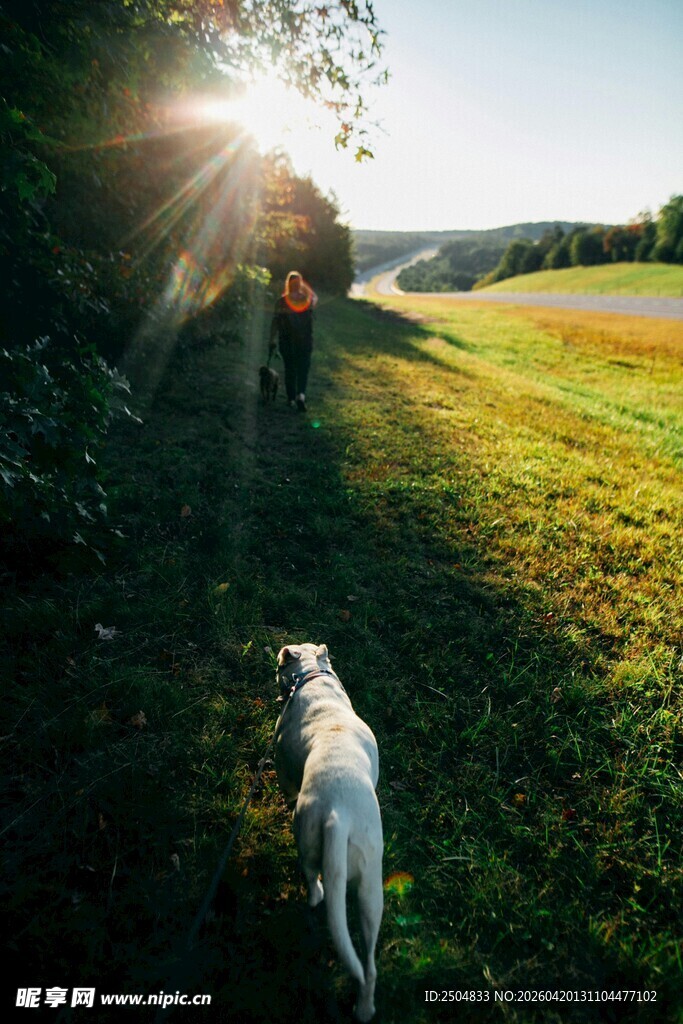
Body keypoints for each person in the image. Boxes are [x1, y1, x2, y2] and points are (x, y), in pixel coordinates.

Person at [269, 271, 318, 412]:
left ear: (288, 284)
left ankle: (290, 399)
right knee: (303, 368)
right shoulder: (306, 300)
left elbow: (275, 322)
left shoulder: (281, 302)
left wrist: (271, 340)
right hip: (305, 340)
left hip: (286, 341)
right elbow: (314, 302)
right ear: (300, 284)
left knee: (290, 368)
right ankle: (301, 395)